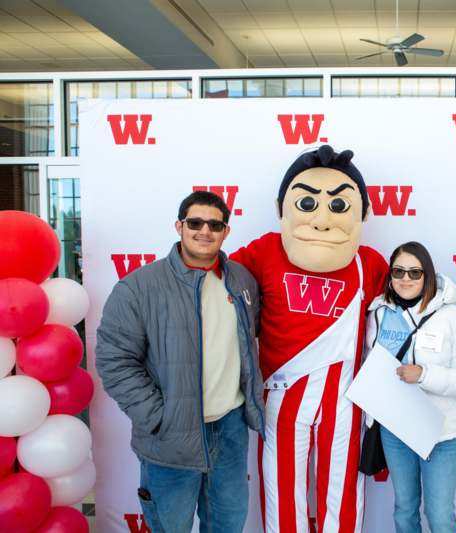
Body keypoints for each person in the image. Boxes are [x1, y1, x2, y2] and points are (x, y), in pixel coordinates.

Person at [230, 145, 388, 533]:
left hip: (346, 396)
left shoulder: (369, 262)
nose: (320, 220)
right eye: (306, 204)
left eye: (337, 207)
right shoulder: (265, 250)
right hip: (282, 391)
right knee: (282, 487)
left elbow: (412, 307)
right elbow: (219, 287)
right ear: (283, 206)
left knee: (343, 489)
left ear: (362, 212)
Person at [95, 191, 265, 533]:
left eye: (215, 224)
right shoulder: (139, 287)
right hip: (170, 436)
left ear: (226, 231)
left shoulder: (241, 280)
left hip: (230, 429)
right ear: (179, 226)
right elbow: (114, 360)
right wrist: (159, 416)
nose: (205, 230)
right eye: (195, 222)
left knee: (228, 525)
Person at [364, 241, 456, 533]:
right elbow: (369, 364)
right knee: (404, 510)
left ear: (427, 275)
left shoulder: (454, 317)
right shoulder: (378, 313)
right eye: (399, 271)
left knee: (440, 514)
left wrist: (424, 375)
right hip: (395, 428)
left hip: (440, 431)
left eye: (414, 272)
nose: (405, 279)